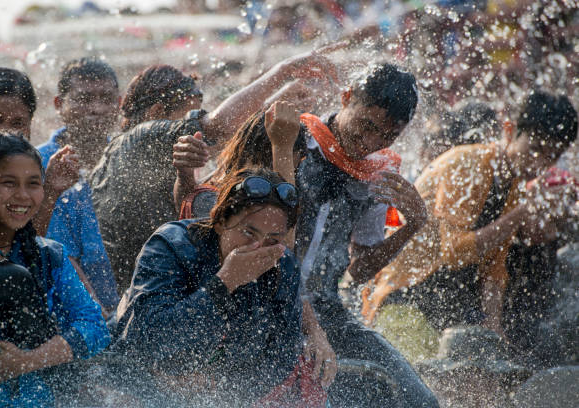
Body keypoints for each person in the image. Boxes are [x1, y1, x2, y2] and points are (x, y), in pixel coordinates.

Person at [90, 53, 337, 293]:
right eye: (189, 114)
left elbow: (225, 142)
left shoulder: (127, 155)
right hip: (142, 290)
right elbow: (219, 127)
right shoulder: (141, 136)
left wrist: (275, 106)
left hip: (143, 283)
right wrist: (283, 71)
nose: (197, 131)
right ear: (156, 113)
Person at [361, 90, 578, 340]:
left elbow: (494, 266)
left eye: (552, 156)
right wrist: (521, 213)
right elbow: (454, 252)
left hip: (447, 302)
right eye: (535, 149)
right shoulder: (467, 164)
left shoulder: (514, 183)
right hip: (403, 300)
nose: (540, 164)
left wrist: (494, 328)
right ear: (509, 130)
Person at [292, 63, 439, 407]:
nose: (371, 143)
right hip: (270, 306)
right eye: (367, 126)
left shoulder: (377, 174)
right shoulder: (294, 141)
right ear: (346, 98)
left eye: (387, 137)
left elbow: (357, 271)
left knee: (418, 401)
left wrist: (412, 226)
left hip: (329, 310)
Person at [174, 101, 337, 389]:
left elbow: (285, 273)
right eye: (279, 162)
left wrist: (316, 331)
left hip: (252, 344)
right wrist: (283, 148)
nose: (281, 180)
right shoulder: (214, 202)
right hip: (208, 340)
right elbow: (277, 253)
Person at [113, 168, 305, 406]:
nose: (258, 247)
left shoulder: (283, 266)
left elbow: (281, 356)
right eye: (248, 232)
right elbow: (149, 339)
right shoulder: (171, 245)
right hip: (134, 387)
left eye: (273, 240)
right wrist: (225, 282)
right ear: (221, 222)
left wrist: (221, 387)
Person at [0, 133, 109, 407]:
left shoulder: (48, 254)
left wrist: (26, 361)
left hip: (35, 397)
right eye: (8, 183)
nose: (22, 196)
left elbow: (95, 327)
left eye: (33, 184)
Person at [37, 58, 120, 313]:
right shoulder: (36, 164)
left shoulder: (125, 157)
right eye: (84, 99)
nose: (96, 108)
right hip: (69, 310)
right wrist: (101, 317)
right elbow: (59, 253)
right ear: (59, 104)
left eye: (107, 100)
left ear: (119, 104)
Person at [0, 67, 79, 236]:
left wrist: (50, 191)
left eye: (17, 123)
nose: (5, 131)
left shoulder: (27, 170)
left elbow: (24, 251)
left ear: (30, 125)